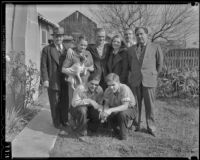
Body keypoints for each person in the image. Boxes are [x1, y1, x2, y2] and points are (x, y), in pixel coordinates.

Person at [127, 27, 164, 136]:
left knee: (150, 105)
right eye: (137, 35)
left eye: (141, 34)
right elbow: (130, 65)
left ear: (147, 34)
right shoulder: (131, 49)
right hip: (136, 80)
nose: (139, 36)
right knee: (135, 104)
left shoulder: (155, 47)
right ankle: (135, 124)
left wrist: (154, 75)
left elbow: (159, 64)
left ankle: (151, 127)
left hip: (149, 81)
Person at [40, 27, 69, 128]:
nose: (58, 39)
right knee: (54, 102)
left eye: (60, 37)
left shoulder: (67, 50)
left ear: (63, 37)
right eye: (56, 36)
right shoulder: (47, 50)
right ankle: (57, 122)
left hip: (65, 80)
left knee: (65, 101)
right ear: (53, 37)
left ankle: (64, 120)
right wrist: (45, 80)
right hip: (53, 80)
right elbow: (43, 66)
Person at [101, 73, 137, 140]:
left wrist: (110, 110)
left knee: (122, 114)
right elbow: (106, 104)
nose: (111, 87)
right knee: (106, 113)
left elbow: (125, 106)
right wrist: (105, 112)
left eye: (113, 85)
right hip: (116, 108)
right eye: (109, 85)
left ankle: (124, 135)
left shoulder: (124, 88)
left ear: (118, 82)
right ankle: (116, 129)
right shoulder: (107, 90)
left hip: (130, 108)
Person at [62, 35, 94, 111]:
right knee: (73, 103)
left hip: (85, 83)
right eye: (81, 45)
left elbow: (92, 68)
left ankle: (82, 122)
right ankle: (72, 121)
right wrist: (74, 72)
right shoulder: (71, 53)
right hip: (74, 83)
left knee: (83, 102)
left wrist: (86, 68)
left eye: (85, 45)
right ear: (77, 44)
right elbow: (63, 69)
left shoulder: (88, 53)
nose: (83, 47)